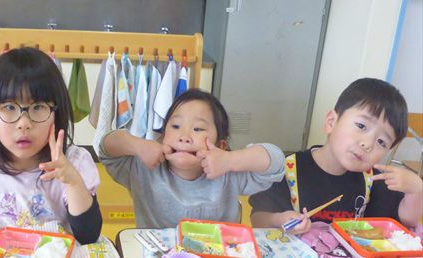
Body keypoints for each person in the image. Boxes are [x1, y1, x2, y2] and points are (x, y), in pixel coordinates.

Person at [0, 47, 102, 244]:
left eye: (38, 107)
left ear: (56, 114)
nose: (24, 123)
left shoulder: (73, 163)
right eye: (9, 107)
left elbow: (88, 236)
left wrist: (73, 182)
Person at [249, 78, 423, 234]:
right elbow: (257, 219)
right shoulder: (287, 170)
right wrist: (279, 220)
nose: (368, 144)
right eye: (361, 126)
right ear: (331, 122)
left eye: (381, 142)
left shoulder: (373, 180)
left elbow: (406, 222)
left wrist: (416, 190)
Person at [97, 89, 285, 228]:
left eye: (198, 129)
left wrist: (230, 160)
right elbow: (106, 148)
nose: (184, 136)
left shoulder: (228, 173)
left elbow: (276, 161)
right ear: (162, 136)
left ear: (220, 145)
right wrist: (137, 145)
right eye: (176, 126)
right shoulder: (144, 168)